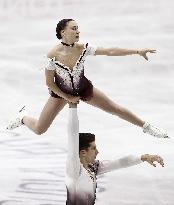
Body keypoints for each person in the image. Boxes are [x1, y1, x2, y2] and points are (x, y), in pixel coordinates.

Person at [6, 18, 168, 138]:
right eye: (74, 28)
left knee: (115, 109)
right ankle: (22, 117)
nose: (78, 31)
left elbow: (110, 51)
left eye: (78, 29)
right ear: (63, 32)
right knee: (40, 129)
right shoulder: (52, 55)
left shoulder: (83, 48)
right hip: (60, 93)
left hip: (84, 88)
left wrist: (137, 51)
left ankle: (147, 126)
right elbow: (49, 82)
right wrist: (67, 96)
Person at [66, 103, 164, 205]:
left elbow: (120, 163)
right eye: (93, 148)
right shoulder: (74, 169)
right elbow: (72, 134)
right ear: (83, 152)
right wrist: (72, 107)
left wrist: (143, 157)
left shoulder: (93, 167)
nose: (97, 152)